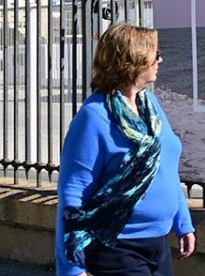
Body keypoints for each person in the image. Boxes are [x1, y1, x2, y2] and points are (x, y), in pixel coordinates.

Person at [55, 23, 195, 276]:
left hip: (158, 244)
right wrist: (71, 268)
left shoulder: (149, 105)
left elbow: (165, 167)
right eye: (155, 53)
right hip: (115, 246)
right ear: (133, 60)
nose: (160, 59)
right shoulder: (94, 116)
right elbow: (73, 191)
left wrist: (183, 222)